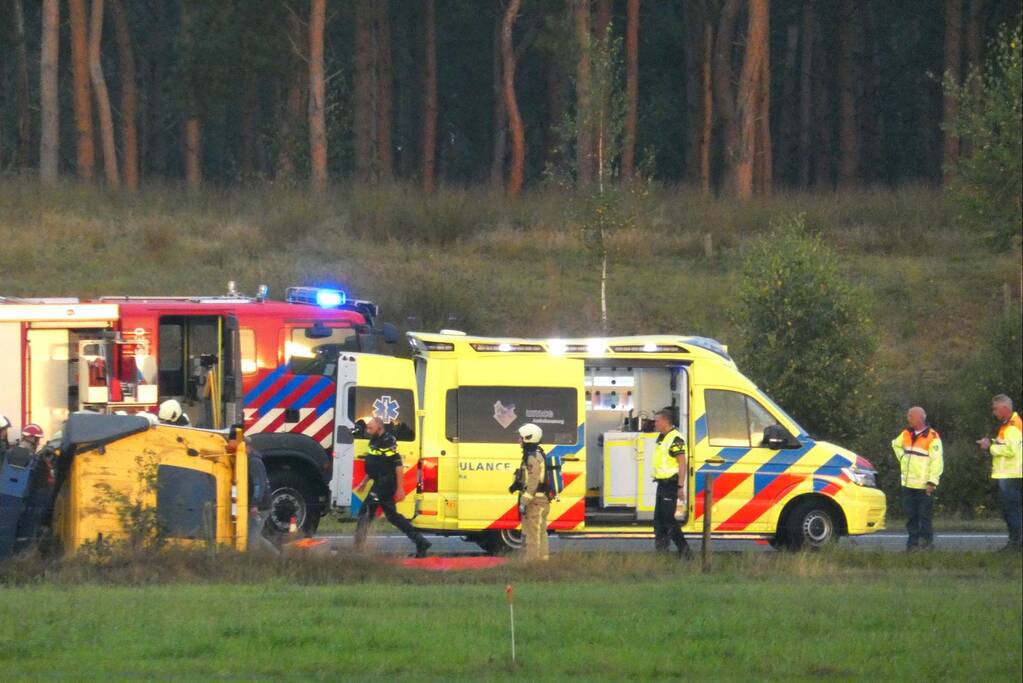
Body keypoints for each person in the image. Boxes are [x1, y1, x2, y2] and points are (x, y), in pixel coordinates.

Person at [353, 417, 430, 558]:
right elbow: (374, 465)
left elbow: (398, 466)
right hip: (378, 482)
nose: (368, 430)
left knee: (365, 511)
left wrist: (400, 488)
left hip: (386, 483)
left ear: (379, 428)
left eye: (371, 428)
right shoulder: (374, 440)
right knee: (393, 517)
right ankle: (421, 542)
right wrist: (364, 482)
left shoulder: (388, 441)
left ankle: (358, 548)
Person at [891, 406, 943, 551]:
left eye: (910, 416)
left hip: (923, 484)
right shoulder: (906, 433)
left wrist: (932, 481)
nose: (908, 419)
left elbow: (937, 461)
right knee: (911, 517)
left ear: (920, 418)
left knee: (924, 517)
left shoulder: (932, 437)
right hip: (908, 483)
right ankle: (912, 545)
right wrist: (902, 457)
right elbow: (895, 444)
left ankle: (927, 544)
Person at [978, 394, 1022, 552]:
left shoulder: (1012, 426)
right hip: (1007, 474)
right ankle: (1015, 542)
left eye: (995, 409)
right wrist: (992, 441)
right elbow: (1007, 445)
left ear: (1004, 408)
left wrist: (989, 447)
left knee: (1011, 511)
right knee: (1009, 510)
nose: (994, 412)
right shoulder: (1007, 425)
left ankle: (1016, 543)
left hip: (1010, 474)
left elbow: (1011, 450)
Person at [651, 409, 691, 559]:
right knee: (658, 520)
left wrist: (680, 487)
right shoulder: (663, 437)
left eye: (657, 421)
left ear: (666, 421)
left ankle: (685, 552)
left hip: (671, 484)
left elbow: (682, 463)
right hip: (661, 484)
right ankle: (662, 553)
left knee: (668, 519)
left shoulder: (676, 439)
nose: (655, 423)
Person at [518, 423, 550, 562]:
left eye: (520, 438)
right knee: (541, 533)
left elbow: (533, 480)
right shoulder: (538, 453)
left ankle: (533, 562)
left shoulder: (531, 457)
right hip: (541, 500)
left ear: (527, 438)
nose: (518, 441)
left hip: (536, 502)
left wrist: (524, 501)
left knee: (533, 534)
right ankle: (543, 561)